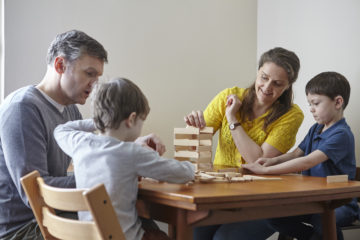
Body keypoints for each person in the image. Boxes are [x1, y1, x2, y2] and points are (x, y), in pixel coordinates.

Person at [0, 30, 163, 240]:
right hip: (24, 229)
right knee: (135, 222)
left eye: (98, 76)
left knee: (140, 219)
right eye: (89, 73)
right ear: (60, 65)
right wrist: (112, 171)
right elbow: (34, 194)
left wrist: (129, 146)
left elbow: (99, 152)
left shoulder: (70, 110)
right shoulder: (23, 108)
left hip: (53, 214)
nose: (95, 84)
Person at [54, 78, 195, 240]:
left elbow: (61, 129)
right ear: (132, 119)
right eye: (141, 121)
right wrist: (192, 167)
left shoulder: (80, 143)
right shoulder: (132, 152)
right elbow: (181, 174)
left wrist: (102, 120)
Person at [185, 47, 304, 240]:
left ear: (288, 86)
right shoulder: (228, 96)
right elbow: (194, 145)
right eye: (264, 78)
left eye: (277, 83)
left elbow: (257, 161)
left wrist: (232, 119)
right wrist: (193, 127)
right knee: (192, 235)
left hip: (262, 202)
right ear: (257, 73)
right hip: (220, 196)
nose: (267, 87)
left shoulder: (292, 115)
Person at [243, 71, 359, 240]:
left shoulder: (341, 134)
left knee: (323, 218)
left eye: (316, 103)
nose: (311, 109)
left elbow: (308, 161)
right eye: (309, 103)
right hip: (314, 200)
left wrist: (267, 171)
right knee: (272, 214)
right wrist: (270, 161)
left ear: (338, 102)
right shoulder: (316, 129)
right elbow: (297, 154)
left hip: (338, 203)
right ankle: (312, 237)